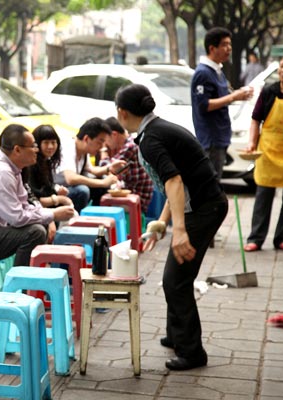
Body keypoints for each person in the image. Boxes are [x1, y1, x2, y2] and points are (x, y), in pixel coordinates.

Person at [115, 83, 228, 371]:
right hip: (203, 204)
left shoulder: (152, 138)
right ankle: (177, 334)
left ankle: (192, 353)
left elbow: (175, 182)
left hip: (204, 208)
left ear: (122, 112)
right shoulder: (156, 131)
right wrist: (162, 223)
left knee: (175, 281)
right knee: (175, 277)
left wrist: (179, 230)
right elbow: (173, 183)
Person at [0, 124, 75, 266]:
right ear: (17, 149)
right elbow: (17, 218)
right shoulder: (1, 172)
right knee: (35, 232)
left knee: (38, 226)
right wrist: (53, 214)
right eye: (33, 146)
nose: (36, 150)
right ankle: (21, 284)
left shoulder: (13, 170)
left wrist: (49, 214)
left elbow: (25, 206)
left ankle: (30, 279)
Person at [191, 26, 254, 182]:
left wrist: (238, 95)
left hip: (220, 136)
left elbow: (222, 97)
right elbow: (203, 105)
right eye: (225, 45)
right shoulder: (203, 73)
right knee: (210, 183)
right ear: (212, 48)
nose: (229, 49)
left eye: (229, 44)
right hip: (211, 138)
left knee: (215, 180)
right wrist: (233, 97)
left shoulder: (217, 70)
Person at [243, 55, 283, 252]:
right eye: (282, 66)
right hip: (268, 150)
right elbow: (255, 120)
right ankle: (256, 238)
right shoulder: (269, 91)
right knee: (263, 196)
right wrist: (252, 142)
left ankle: (281, 238)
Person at [54, 117, 126, 212]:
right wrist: (102, 183)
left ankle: (98, 218)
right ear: (87, 139)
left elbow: (91, 170)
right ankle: (78, 223)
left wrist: (109, 168)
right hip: (57, 192)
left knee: (101, 185)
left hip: (67, 189)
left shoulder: (83, 151)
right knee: (82, 190)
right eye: (99, 142)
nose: (101, 147)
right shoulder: (68, 147)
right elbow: (71, 178)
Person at [98, 116, 154, 213]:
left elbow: (108, 168)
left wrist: (103, 150)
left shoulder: (130, 146)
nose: (105, 143)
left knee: (98, 195)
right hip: (135, 195)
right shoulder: (131, 142)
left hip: (137, 199)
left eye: (104, 140)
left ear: (114, 134)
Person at [25, 124, 73, 209]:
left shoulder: (47, 161)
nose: (50, 146)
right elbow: (33, 198)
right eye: (46, 143)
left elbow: (49, 185)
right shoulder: (30, 165)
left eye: (53, 142)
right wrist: (58, 199)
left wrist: (57, 189)